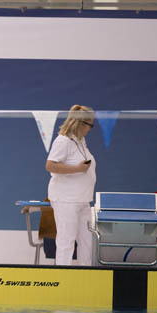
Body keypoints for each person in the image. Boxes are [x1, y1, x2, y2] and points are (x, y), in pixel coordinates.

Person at [45, 105, 97, 266]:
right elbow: (50, 165)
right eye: (90, 125)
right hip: (66, 199)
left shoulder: (80, 142)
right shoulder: (63, 141)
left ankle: (85, 274)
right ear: (80, 123)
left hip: (83, 199)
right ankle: (63, 275)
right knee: (66, 240)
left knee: (87, 241)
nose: (90, 129)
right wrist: (78, 169)